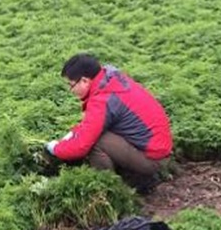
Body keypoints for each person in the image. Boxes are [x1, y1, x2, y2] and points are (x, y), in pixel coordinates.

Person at [44, 53, 173, 192]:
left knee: (96, 142)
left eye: (71, 85)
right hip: (158, 148)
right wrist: (74, 133)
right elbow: (93, 125)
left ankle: (109, 188)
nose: (71, 90)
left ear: (85, 81)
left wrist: (55, 149)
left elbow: (82, 145)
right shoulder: (111, 79)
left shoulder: (102, 99)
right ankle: (132, 176)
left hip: (153, 159)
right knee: (97, 134)